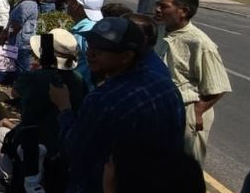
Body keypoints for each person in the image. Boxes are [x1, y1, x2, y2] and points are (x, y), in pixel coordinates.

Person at [49, 17, 185, 193]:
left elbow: (75, 151)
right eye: (90, 44)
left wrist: (64, 108)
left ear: (126, 56)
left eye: (101, 50)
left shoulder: (104, 99)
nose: (90, 53)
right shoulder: (165, 85)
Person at [0, 29, 85, 192]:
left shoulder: (35, 76)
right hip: (63, 143)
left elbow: (15, 93)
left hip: (35, 140)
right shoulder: (79, 80)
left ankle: (6, 180)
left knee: (1, 132)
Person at [155, 0, 231, 165]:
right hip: (163, 110)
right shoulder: (162, 33)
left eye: (164, 6)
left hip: (186, 110)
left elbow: (218, 87)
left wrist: (196, 112)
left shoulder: (200, 43)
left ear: (183, 11)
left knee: (185, 169)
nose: (157, 10)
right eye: (158, 5)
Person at [0, 0, 40, 74]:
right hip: (22, 42)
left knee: (21, 70)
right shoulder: (27, 2)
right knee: (19, 68)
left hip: (21, 43)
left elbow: (16, 25)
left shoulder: (27, 4)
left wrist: (6, 35)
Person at [66, 0, 104, 91]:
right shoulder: (95, 26)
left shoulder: (85, 33)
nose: (67, 5)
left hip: (82, 89)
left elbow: (94, 68)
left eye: (70, 1)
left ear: (76, 5)